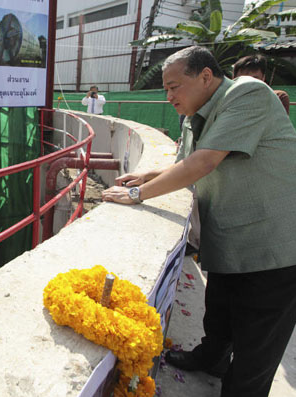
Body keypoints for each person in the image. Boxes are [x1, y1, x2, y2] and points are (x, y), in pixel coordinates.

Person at [102, 46, 296, 397]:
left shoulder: (248, 93)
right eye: (165, 89)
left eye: (175, 86)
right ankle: (211, 359)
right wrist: (150, 175)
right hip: (231, 241)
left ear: (206, 76)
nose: (169, 96)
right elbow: (186, 164)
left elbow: (205, 162)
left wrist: (136, 196)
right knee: (219, 316)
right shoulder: (195, 113)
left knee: (256, 349)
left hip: (275, 248)